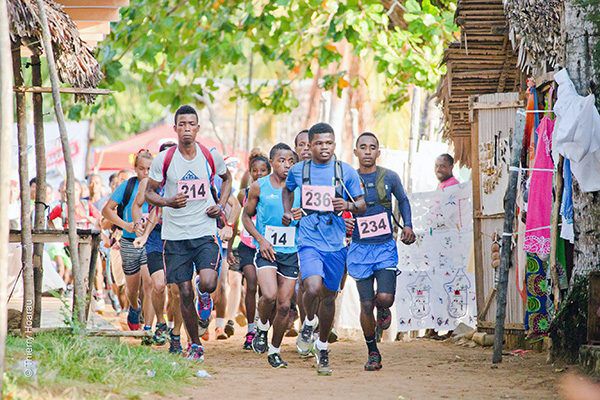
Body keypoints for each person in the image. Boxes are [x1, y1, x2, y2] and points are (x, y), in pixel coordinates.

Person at [145, 105, 232, 362]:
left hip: (204, 230)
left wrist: (221, 204)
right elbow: (150, 192)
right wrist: (169, 201)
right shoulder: (164, 159)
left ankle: (205, 295)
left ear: (197, 128)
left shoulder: (209, 155)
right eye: (181, 124)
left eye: (191, 124)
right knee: (183, 293)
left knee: (207, 282)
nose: (186, 129)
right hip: (175, 236)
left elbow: (227, 179)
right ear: (175, 128)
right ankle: (194, 344)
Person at [283, 122, 366, 375]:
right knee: (312, 286)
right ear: (310, 145)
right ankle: (309, 320)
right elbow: (287, 190)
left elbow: (362, 204)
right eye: (318, 143)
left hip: (335, 242)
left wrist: (348, 206)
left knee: (329, 296)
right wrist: (288, 211)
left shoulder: (345, 172)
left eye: (328, 143)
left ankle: (322, 346)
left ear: (334, 144)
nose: (324, 147)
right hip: (308, 239)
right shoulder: (299, 170)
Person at [347, 132, 415, 371]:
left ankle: (383, 309)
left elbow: (403, 200)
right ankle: (373, 352)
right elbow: (334, 209)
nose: (367, 151)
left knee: (385, 297)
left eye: (372, 147)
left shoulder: (390, 177)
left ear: (378, 151)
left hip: (385, 247)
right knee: (366, 305)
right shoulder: (348, 179)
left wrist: (407, 225)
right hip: (359, 250)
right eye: (363, 147)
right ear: (355, 151)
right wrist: (343, 222)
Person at [243, 143, 301, 368]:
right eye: (281, 161)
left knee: (285, 306)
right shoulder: (259, 187)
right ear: (272, 163)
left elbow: (308, 217)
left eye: (290, 161)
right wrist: (261, 240)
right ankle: (262, 327)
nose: (286, 165)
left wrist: (300, 215)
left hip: (290, 252)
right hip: (267, 249)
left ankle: (275, 350)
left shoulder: (299, 189)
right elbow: (246, 218)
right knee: (268, 295)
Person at [102, 150, 154, 333]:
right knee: (132, 289)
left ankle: (148, 328)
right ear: (135, 168)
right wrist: (126, 225)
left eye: (149, 169)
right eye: (141, 169)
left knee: (149, 283)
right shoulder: (128, 186)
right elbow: (106, 210)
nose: (145, 173)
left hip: (151, 242)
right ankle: (134, 307)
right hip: (129, 241)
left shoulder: (156, 187)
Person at [131, 142, 177, 348]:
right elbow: (142, 207)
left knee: (177, 289)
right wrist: (139, 227)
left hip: (179, 237)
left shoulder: (184, 179)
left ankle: (175, 331)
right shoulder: (150, 182)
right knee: (157, 285)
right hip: (156, 237)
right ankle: (160, 322)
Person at [232, 153, 271, 350]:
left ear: (268, 172)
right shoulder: (243, 194)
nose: (258, 174)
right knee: (252, 283)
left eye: (262, 171)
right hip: (247, 245)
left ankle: (263, 328)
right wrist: (230, 242)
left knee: (267, 290)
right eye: (255, 171)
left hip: (267, 246)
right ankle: (250, 329)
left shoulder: (275, 192)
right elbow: (236, 219)